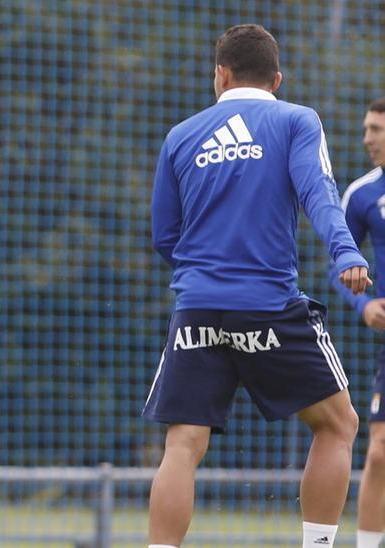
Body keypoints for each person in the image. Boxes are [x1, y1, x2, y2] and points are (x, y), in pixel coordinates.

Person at [144, 23, 371, 548]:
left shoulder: (181, 135)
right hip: (267, 304)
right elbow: (319, 190)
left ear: (220, 75)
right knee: (338, 424)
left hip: (196, 308)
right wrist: (345, 251)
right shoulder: (295, 120)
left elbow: (164, 235)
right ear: (277, 78)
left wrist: (204, 274)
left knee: (182, 444)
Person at [336, 98, 385, 548]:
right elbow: (340, 266)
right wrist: (364, 306)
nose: (367, 138)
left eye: (376, 129)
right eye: (367, 128)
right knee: (379, 455)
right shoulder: (362, 194)